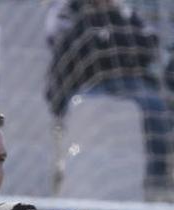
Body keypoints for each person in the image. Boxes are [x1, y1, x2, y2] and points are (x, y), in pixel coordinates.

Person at [45, 0, 171, 184]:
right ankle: (77, 176)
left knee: (155, 106)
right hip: (83, 84)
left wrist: (109, 28)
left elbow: (147, 42)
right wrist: (101, 33)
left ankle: (154, 182)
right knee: (93, 109)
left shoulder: (122, 11)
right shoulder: (65, 9)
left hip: (127, 82)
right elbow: (59, 38)